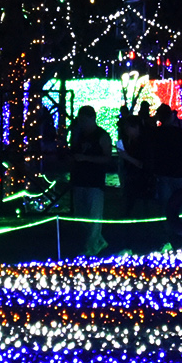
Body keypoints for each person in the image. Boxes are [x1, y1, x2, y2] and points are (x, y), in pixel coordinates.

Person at [66, 106, 112, 253]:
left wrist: (86, 158)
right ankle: (96, 241)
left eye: (84, 120)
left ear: (92, 119)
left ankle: (91, 246)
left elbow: (107, 158)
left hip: (94, 181)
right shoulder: (78, 135)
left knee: (93, 216)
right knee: (80, 215)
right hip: (79, 179)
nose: (82, 123)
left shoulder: (102, 135)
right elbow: (72, 152)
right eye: (80, 120)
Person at [151, 103, 182, 246]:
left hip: (163, 174)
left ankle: (168, 234)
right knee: (181, 204)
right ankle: (181, 231)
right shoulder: (179, 133)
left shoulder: (156, 133)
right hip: (178, 173)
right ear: (171, 116)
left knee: (166, 205)